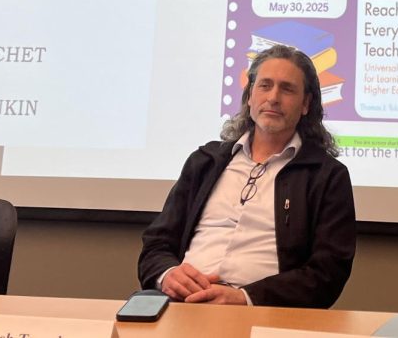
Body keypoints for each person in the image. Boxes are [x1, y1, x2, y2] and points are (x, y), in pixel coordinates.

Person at [138, 45, 355, 308]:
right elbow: (156, 244)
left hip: (262, 316)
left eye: (287, 89)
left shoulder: (326, 176)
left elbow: (328, 272)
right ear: (250, 96)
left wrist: (245, 298)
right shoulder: (205, 162)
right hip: (181, 305)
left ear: (306, 104)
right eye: (265, 85)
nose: (273, 97)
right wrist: (167, 274)